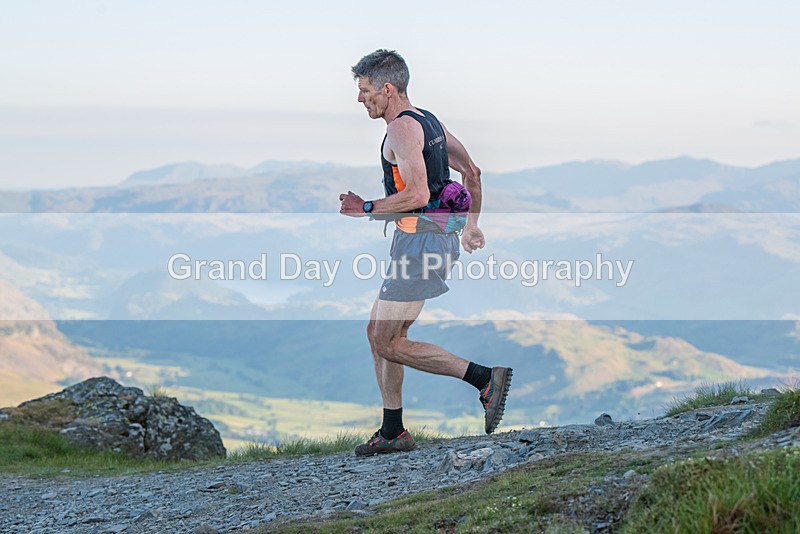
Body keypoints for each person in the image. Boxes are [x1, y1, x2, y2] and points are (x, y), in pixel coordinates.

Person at [339, 49, 512, 456]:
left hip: (420, 242)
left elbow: (416, 194)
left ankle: (485, 378)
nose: (360, 99)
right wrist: (471, 225)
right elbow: (473, 172)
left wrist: (365, 208)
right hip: (430, 237)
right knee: (377, 332)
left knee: (387, 342)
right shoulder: (428, 121)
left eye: (364, 91)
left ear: (387, 88)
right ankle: (393, 431)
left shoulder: (400, 129)